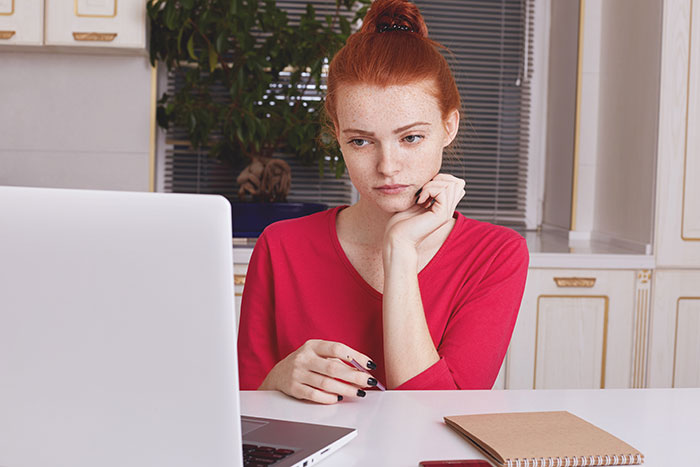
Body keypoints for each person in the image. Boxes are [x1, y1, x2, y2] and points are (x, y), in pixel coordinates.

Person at [237, 0, 529, 404]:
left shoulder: (496, 254)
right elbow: (242, 412)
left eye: (410, 137)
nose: (387, 166)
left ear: (448, 127)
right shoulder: (281, 246)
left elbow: (435, 414)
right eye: (360, 140)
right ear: (337, 135)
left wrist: (400, 250)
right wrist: (277, 379)